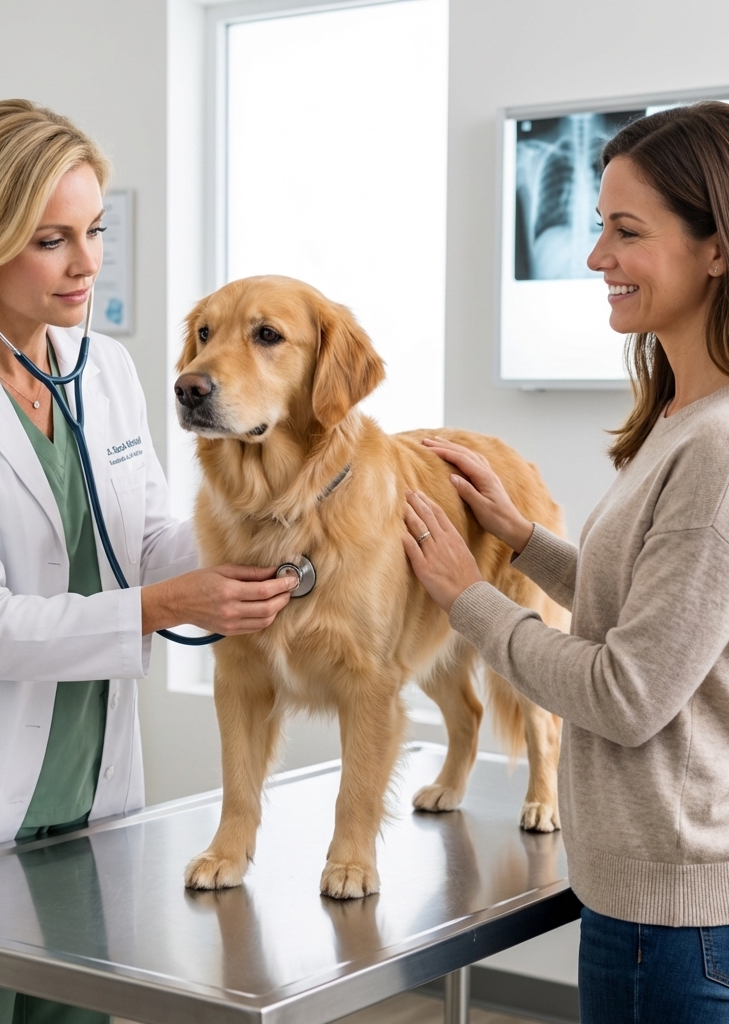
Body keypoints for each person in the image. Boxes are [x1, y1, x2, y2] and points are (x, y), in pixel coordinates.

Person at [0, 99, 297, 1024]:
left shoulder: (105, 370)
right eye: (52, 239)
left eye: (95, 231)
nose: (87, 264)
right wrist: (167, 603)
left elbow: (150, 538)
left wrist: (282, 510)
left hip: (86, 811)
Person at [401, 102, 729, 1023]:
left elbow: (627, 693)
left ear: (717, 248)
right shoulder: (680, 422)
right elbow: (658, 616)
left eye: (627, 233)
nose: (595, 259)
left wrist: (469, 598)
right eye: (595, 229)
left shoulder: (716, 448)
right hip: (651, 908)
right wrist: (516, 539)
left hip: (677, 929)